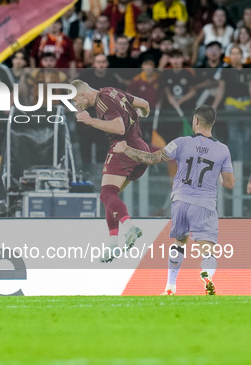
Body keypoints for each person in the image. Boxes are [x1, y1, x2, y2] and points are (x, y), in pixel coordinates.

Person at [113, 106, 235, 295]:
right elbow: (229, 183)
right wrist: (219, 174)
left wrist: (126, 149)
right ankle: (207, 273)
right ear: (212, 123)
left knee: (179, 243)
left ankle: (170, 285)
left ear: (195, 121)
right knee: (207, 250)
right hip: (204, 204)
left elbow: (152, 158)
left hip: (180, 201)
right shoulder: (222, 150)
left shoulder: (180, 143)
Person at [71, 79, 150, 262]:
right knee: (109, 197)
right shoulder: (111, 91)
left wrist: (90, 121)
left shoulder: (102, 101)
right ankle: (113, 245)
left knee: (106, 195)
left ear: (83, 94)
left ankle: (130, 227)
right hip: (141, 148)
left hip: (124, 147)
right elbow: (144, 105)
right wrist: (142, 114)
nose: (76, 105)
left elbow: (119, 128)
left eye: (75, 100)